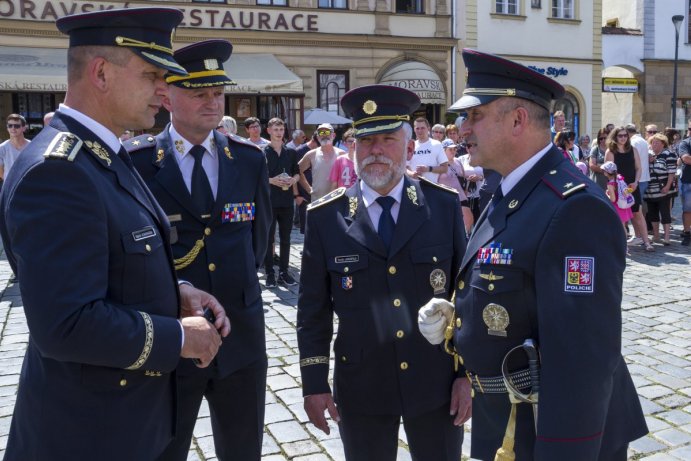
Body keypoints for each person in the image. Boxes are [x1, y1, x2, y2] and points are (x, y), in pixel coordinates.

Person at [0, 8, 230, 461]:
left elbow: (114, 263)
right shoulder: (59, 170)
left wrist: (175, 291)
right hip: (87, 436)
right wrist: (181, 337)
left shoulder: (102, 152)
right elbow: (66, 324)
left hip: (120, 424)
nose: (164, 91)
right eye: (151, 76)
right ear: (101, 73)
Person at [419, 48, 647, 461]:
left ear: (518, 121)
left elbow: (583, 360)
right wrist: (460, 315)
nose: (460, 128)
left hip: (549, 430)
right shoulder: (509, 187)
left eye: (474, 116)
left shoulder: (573, 208)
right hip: (508, 418)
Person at [298, 84, 468, 461]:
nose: (375, 150)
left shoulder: (441, 206)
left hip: (435, 383)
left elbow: (464, 294)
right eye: (366, 140)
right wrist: (313, 382)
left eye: (388, 139)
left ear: (409, 148)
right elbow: (313, 309)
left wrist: (465, 375)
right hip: (362, 385)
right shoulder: (326, 218)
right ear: (353, 147)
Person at [126, 39, 271, 461]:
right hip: (173, 335)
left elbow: (257, 242)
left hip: (241, 334)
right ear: (167, 95)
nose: (211, 102)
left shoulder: (247, 159)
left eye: (217, 92)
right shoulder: (137, 163)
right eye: (198, 92)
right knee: (165, 450)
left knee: (243, 449)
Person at [263, 117, 300, 288]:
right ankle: (270, 273)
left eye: (281, 129)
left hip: (286, 202)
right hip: (269, 201)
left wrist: (293, 180)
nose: (279, 133)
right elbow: (258, 177)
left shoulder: (291, 152)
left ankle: (284, 272)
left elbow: (297, 173)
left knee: (286, 239)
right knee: (269, 239)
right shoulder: (263, 152)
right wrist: (272, 180)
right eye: (276, 129)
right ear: (269, 131)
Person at [605, 126, 653, 251]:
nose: (623, 138)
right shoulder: (610, 152)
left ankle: (646, 242)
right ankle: (621, 244)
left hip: (632, 187)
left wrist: (636, 182)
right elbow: (609, 171)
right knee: (620, 217)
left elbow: (638, 168)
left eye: (625, 135)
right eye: (620, 135)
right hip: (618, 188)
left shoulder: (633, 149)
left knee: (638, 213)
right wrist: (616, 186)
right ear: (615, 137)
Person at [644, 133, 677, 245]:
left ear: (663, 144)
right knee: (652, 213)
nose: (654, 144)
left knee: (665, 213)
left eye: (657, 142)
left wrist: (668, 186)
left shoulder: (669, 154)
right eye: (653, 142)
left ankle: (667, 237)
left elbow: (671, 172)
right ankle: (656, 235)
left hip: (663, 189)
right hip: (650, 190)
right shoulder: (648, 155)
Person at [298, 122, 343, 201]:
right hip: (317, 202)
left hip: (337, 202)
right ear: (317, 136)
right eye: (321, 132)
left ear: (334, 135)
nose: (324, 135)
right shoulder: (312, 154)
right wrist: (309, 189)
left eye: (327, 132)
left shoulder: (342, 154)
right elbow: (297, 171)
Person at [439, 138, 474, 234]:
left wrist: (466, 190)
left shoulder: (458, 162)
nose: (453, 151)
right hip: (446, 200)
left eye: (454, 149)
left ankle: (463, 243)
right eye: (450, 149)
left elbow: (463, 177)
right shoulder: (438, 164)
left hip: (461, 198)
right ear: (443, 150)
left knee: (468, 220)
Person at [409, 117, 448, 182]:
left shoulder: (437, 144)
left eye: (422, 128)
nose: (420, 131)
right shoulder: (411, 146)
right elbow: (405, 167)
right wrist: (412, 174)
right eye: (417, 128)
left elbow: (445, 168)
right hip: (413, 186)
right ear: (414, 129)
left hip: (431, 187)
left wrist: (428, 169)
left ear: (428, 129)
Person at [601, 161, 634, 237]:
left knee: (620, 228)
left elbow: (613, 199)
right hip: (623, 205)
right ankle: (625, 245)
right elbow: (625, 190)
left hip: (617, 207)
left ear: (606, 172)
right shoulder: (620, 178)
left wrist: (606, 195)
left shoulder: (610, 184)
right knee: (622, 226)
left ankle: (624, 246)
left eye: (604, 171)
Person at [0, 114, 31, 180]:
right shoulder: (2, 148)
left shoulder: (32, 146)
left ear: (24, 128)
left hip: (29, 185)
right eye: (10, 126)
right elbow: (1, 172)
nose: (13, 128)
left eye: (17, 126)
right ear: (7, 128)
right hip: (10, 187)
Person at [679, 124, 691, 246]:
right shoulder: (685, 143)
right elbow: (686, 158)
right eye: (689, 129)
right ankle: (687, 233)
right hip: (688, 181)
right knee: (687, 210)